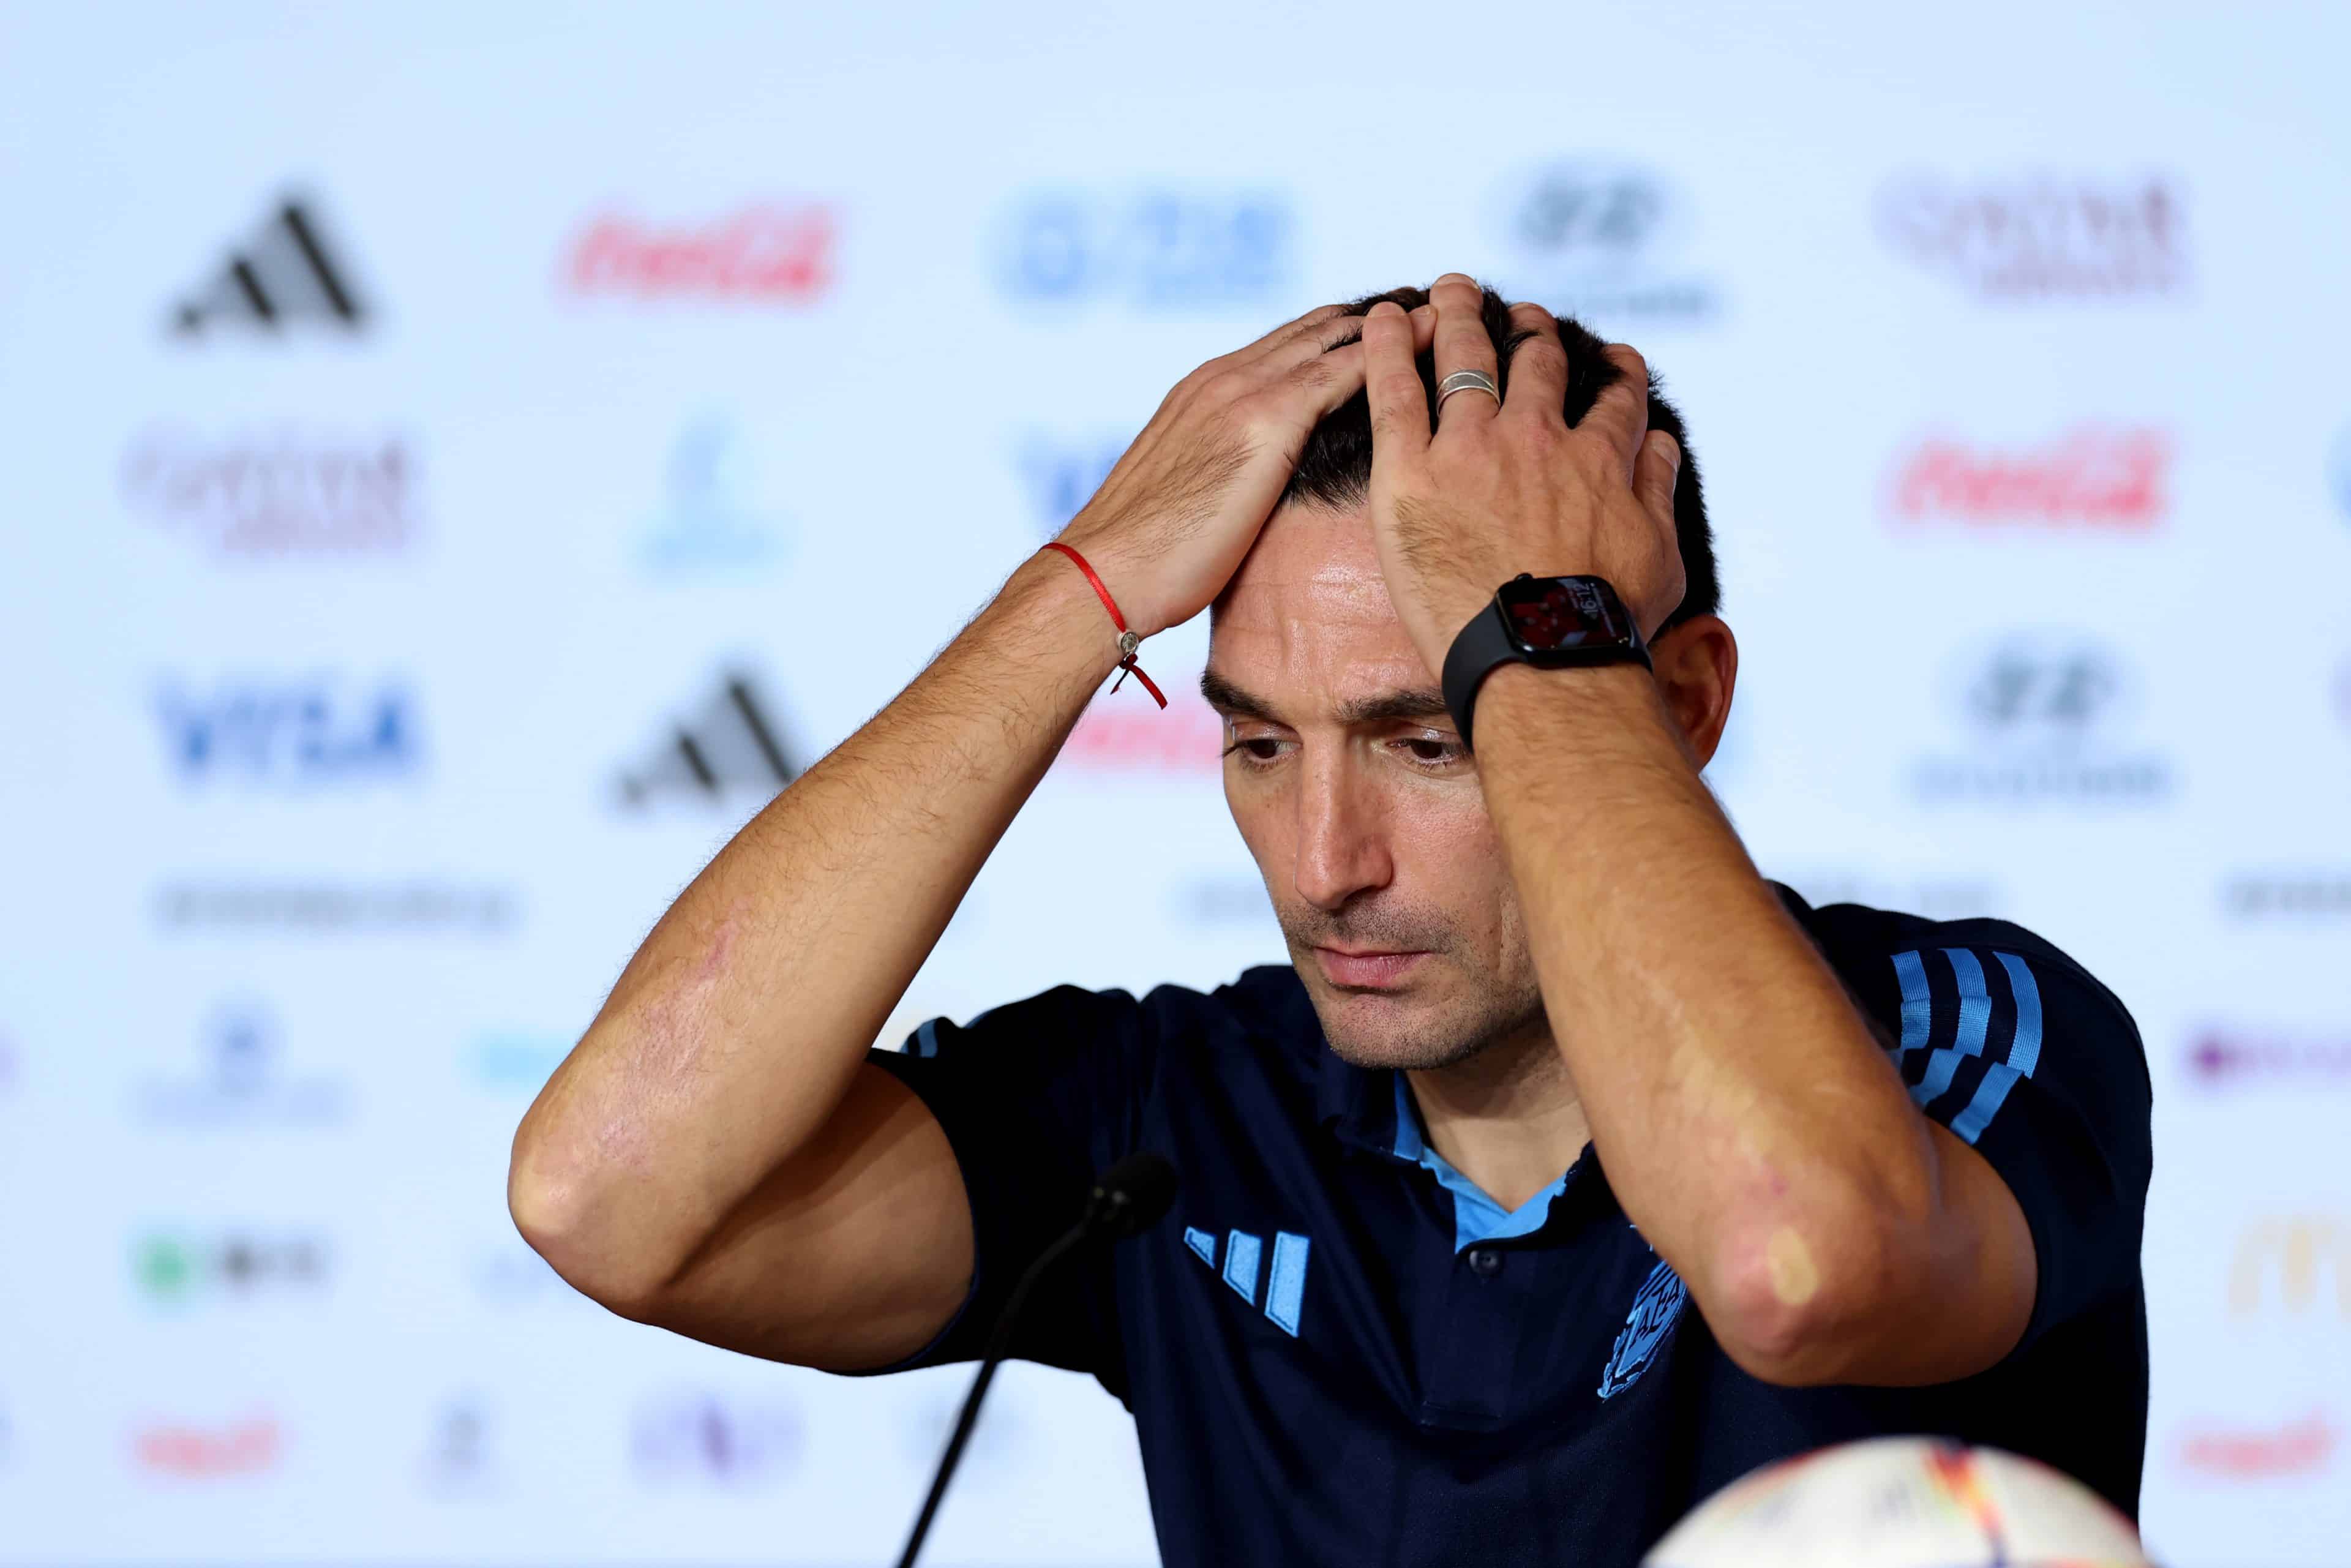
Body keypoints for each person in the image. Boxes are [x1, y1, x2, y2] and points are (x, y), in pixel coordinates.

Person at [508, 275, 2153, 1565]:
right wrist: (1079, 586)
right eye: (1256, 741)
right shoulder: (1175, 1117)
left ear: (1686, 697)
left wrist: (1541, 642)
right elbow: (610, 1191)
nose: (1324, 860)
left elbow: (1797, 1255)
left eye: (1427, 738)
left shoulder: (1957, 1029)